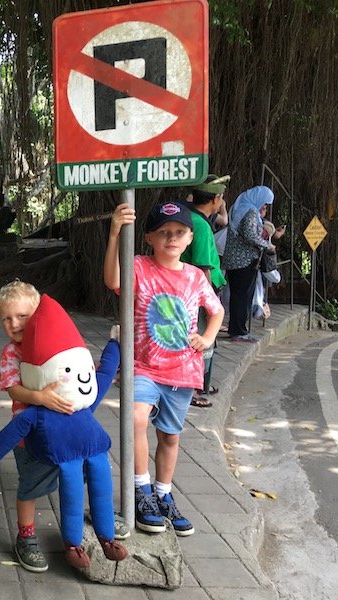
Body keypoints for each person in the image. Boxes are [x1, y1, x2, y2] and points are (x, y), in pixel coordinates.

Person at [104, 201, 224, 536]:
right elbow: (112, 279)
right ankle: (141, 490)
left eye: (179, 232)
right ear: (149, 238)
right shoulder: (139, 266)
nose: (171, 238)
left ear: (189, 238)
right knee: (136, 418)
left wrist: (208, 338)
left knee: (170, 436)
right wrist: (115, 232)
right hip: (144, 365)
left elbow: (216, 311)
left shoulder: (196, 278)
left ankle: (163, 494)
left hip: (183, 370)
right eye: (164, 232)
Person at [0, 281, 127, 572]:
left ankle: (97, 515)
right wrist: (38, 398)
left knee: (85, 475)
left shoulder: (54, 344)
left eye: (22, 316)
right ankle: (26, 536)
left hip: (71, 434)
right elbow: (13, 389)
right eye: (6, 318)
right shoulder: (11, 353)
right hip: (32, 439)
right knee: (30, 488)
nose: (14, 324)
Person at [182, 175, 229, 407]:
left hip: (189, 290)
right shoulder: (200, 226)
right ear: (216, 199)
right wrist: (209, 301)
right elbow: (202, 266)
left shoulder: (194, 217)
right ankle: (192, 391)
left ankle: (200, 383)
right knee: (200, 338)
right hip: (198, 292)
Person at [222, 186, 275, 342]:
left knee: (237, 296)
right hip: (245, 261)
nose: (265, 207)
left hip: (233, 260)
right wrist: (267, 246)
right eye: (265, 203)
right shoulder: (250, 212)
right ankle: (239, 332)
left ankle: (235, 329)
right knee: (243, 297)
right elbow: (250, 235)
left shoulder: (237, 208)